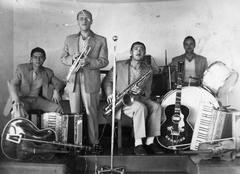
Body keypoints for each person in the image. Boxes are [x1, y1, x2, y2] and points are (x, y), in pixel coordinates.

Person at [103, 41, 164, 155]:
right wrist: (110, 94)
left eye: (141, 49)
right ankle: (138, 143)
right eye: (136, 49)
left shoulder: (148, 70)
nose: (139, 51)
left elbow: (148, 90)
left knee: (156, 107)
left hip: (140, 97)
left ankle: (150, 142)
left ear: (144, 53)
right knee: (140, 108)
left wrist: (141, 91)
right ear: (131, 52)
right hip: (123, 100)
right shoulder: (119, 65)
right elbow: (108, 81)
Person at [60, 10, 108, 150]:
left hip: (90, 79)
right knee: (74, 112)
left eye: (87, 18)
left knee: (91, 111)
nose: (84, 20)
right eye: (81, 18)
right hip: (74, 80)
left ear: (91, 21)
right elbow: (63, 58)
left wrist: (89, 61)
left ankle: (94, 142)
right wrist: (72, 59)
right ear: (77, 21)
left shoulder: (101, 40)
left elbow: (104, 61)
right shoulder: (69, 39)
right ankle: (76, 143)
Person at [3, 47, 65, 118]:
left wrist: (56, 90)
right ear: (31, 59)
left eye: (41, 57)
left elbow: (59, 83)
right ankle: (23, 129)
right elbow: (13, 84)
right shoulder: (22, 69)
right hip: (22, 99)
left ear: (44, 59)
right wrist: (16, 100)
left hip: (37, 100)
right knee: (18, 112)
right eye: (35, 57)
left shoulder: (48, 72)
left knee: (58, 108)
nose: (38, 59)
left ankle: (51, 129)